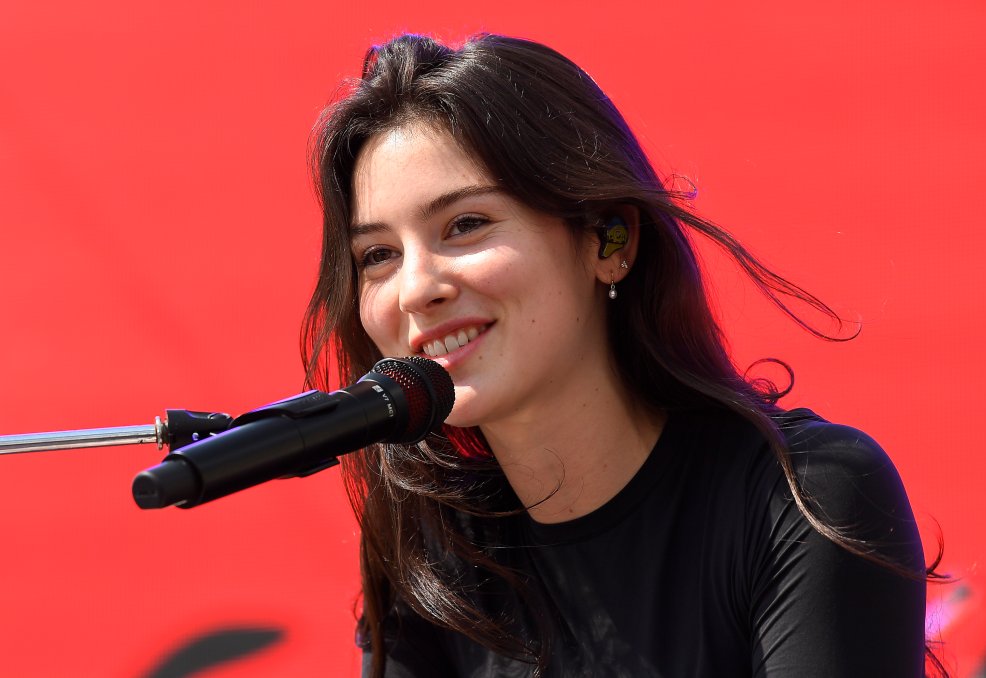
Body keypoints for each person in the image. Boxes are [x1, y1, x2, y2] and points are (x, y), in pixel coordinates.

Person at [302, 33, 939, 677]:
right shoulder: (433, 558)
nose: (417, 289)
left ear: (610, 239)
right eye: (377, 256)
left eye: (466, 224)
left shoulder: (803, 500)